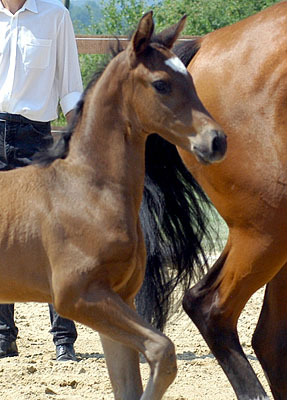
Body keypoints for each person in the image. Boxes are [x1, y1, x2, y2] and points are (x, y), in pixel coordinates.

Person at [0, 0, 83, 361]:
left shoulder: (56, 16)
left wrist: (81, 140)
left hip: (34, 136)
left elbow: (70, 84)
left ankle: (64, 338)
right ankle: (3, 337)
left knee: (54, 235)